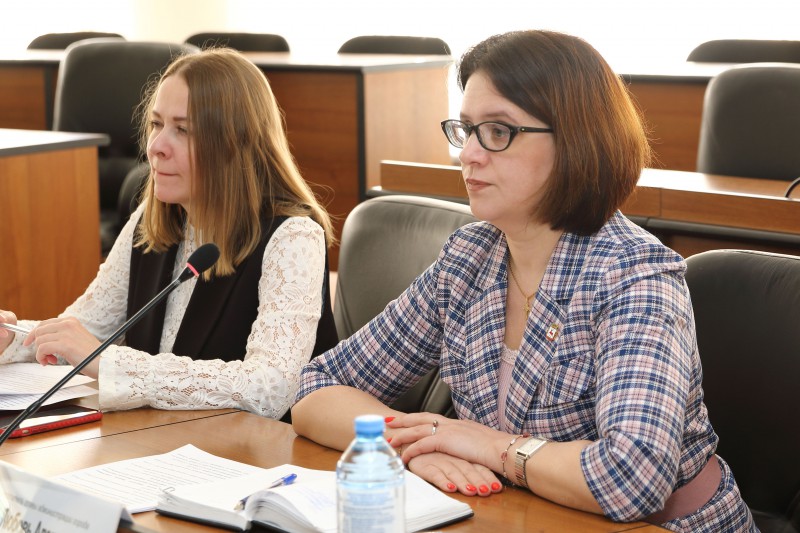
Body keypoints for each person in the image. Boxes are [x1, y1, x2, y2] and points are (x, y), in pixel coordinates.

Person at [291, 30, 755, 532]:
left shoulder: (634, 275)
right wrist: (417, 445)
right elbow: (318, 387)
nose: (469, 154)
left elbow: (631, 477)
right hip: (523, 516)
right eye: (467, 130)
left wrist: (488, 446)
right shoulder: (469, 257)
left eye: (498, 131)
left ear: (576, 139)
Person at [0, 48, 337, 420]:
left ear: (234, 144)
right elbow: (82, 330)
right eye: (156, 124)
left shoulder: (293, 237)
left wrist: (109, 362)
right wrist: (11, 338)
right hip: (163, 439)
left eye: (182, 130)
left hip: (254, 450)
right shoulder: (154, 218)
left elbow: (270, 388)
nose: (155, 147)